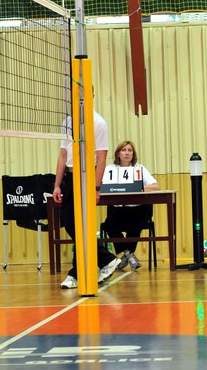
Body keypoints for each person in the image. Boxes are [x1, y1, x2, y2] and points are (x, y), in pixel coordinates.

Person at [52, 109, 120, 289]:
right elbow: (63, 155)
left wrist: (96, 188)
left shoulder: (98, 122)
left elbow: (102, 158)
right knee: (70, 223)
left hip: (86, 176)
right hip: (70, 178)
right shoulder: (68, 121)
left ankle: (77, 273)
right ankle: (105, 260)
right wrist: (57, 185)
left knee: (81, 225)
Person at [99, 141, 159, 271]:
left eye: (129, 150)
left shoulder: (139, 168)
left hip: (137, 210)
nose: (127, 153)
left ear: (133, 154)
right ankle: (129, 254)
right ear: (118, 154)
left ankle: (126, 256)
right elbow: (100, 186)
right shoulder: (110, 169)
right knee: (109, 225)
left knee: (137, 224)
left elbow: (156, 186)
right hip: (117, 210)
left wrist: (137, 187)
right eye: (124, 150)